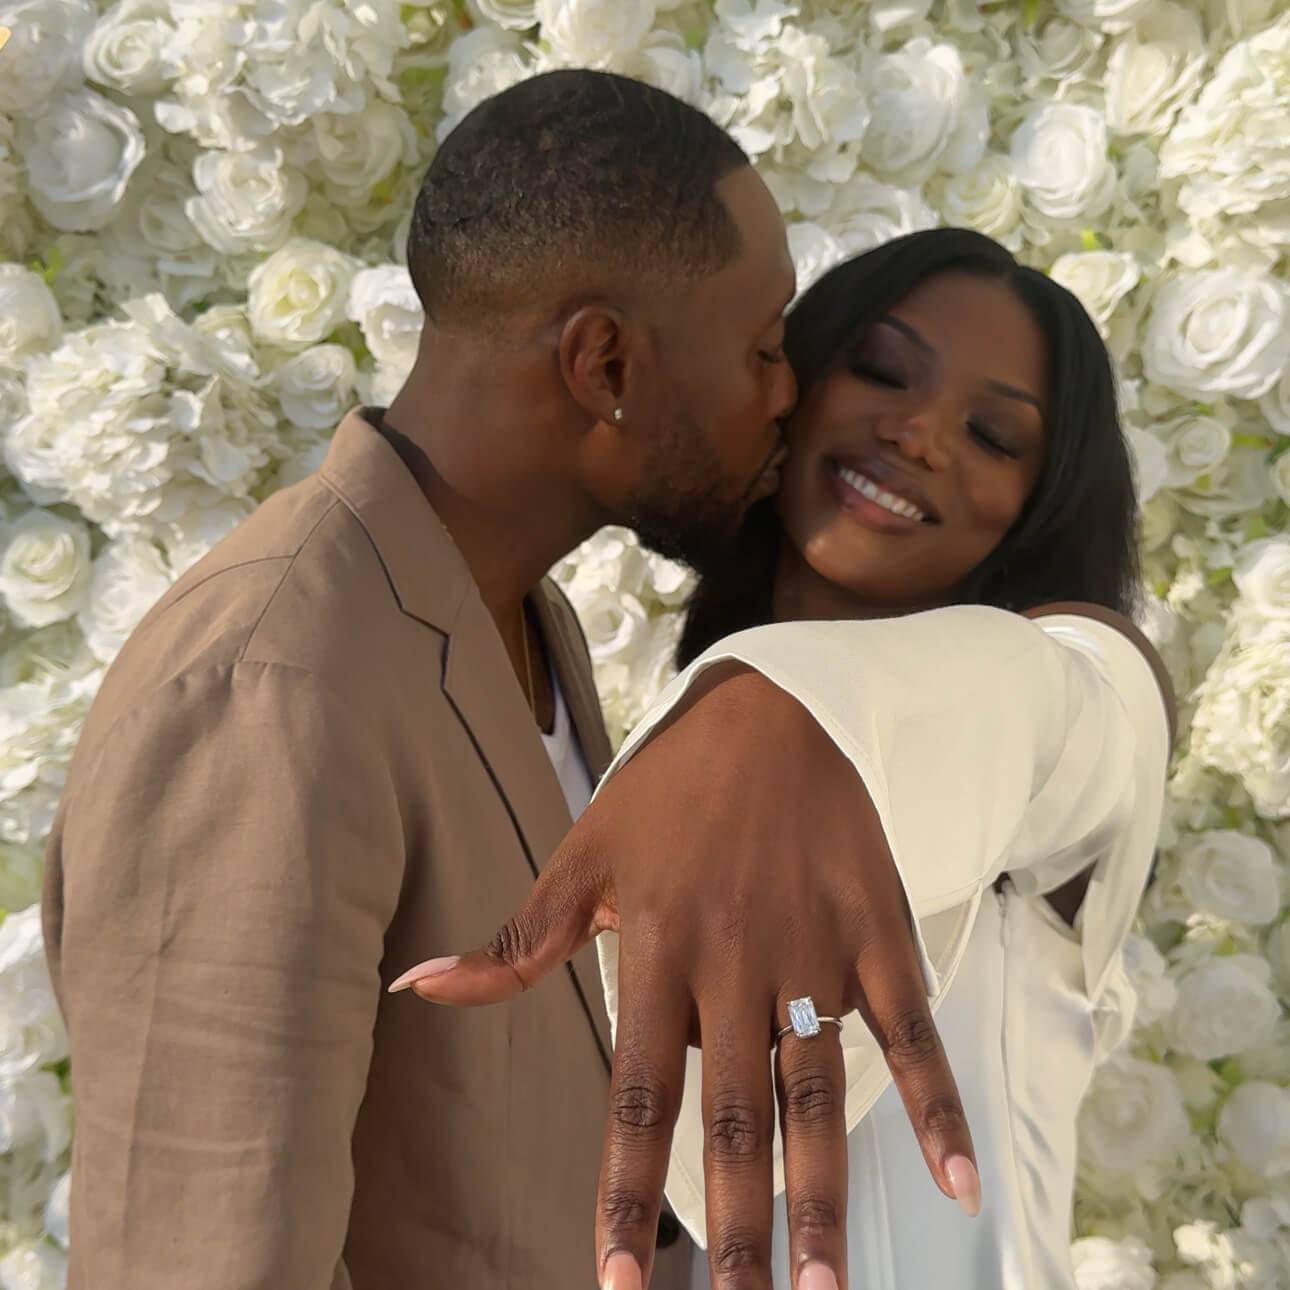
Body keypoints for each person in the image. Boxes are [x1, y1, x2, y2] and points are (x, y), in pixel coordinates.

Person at [42, 73, 977, 1290]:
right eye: (760, 350)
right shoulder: (267, 683)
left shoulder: (524, 622)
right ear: (605, 365)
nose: (789, 395)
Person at [400, 230, 1177, 1290]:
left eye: (994, 435)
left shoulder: (1063, 709)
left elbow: (1068, 702)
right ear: (791, 394)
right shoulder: (644, 764)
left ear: (1032, 513)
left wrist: (787, 696)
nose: (917, 432)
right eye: (881, 371)